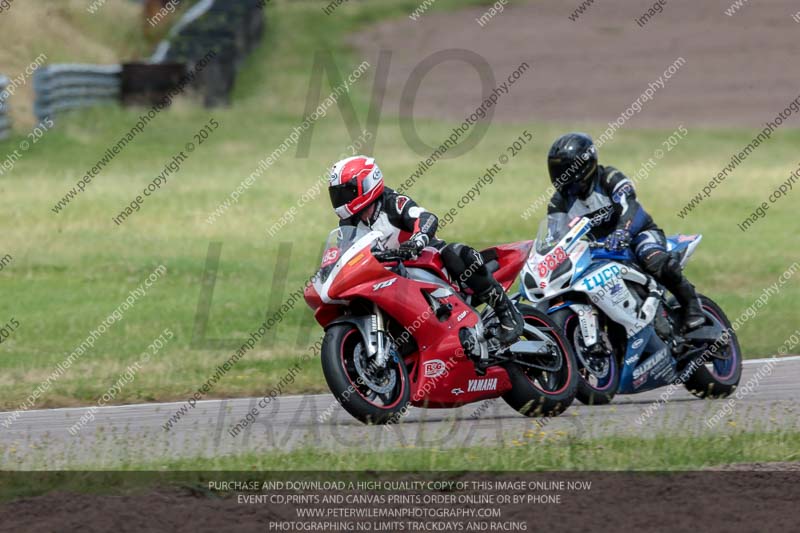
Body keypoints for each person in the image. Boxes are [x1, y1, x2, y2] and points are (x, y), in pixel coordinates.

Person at [327, 155, 523, 344]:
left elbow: (426, 218)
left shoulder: (392, 202)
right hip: (391, 276)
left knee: (456, 253)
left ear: (367, 185)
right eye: (336, 194)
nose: (339, 199)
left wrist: (417, 241)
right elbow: (346, 255)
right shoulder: (348, 223)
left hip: (428, 261)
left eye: (345, 192)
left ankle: (507, 315)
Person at [545, 132, 705, 332]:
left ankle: (693, 307)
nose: (561, 175)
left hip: (638, 235)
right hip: (599, 249)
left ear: (583, 166)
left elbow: (631, 207)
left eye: (565, 169)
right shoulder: (559, 201)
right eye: (557, 169)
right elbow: (554, 235)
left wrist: (622, 232)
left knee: (653, 259)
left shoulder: (609, 178)